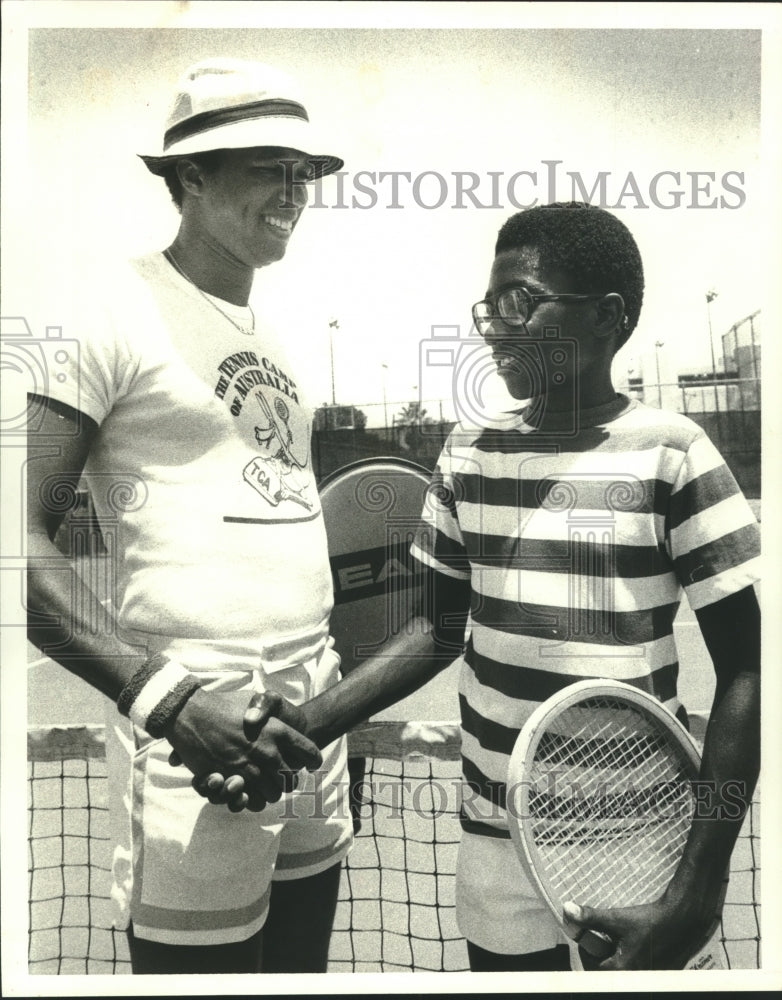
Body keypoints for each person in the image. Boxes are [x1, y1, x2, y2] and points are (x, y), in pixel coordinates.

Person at [229, 201, 761, 971]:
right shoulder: (470, 449)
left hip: (643, 839)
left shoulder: (675, 452)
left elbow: (748, 667)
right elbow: (439, 629)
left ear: (608, 316)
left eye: (521, 301)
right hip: (494, 835)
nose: (494, 326)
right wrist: (308, 724)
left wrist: (698, 889)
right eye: (489, 306)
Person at [26, 57, 354, 974]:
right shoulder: (106, 307)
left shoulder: (276, 340)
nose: (293, 190)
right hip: (190, 720)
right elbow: (13, 539)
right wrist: (168, 702)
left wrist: (328, 706)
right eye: (266, 167)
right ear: (189, 178)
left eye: (303, 172)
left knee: (300, 977)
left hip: (307, 717)